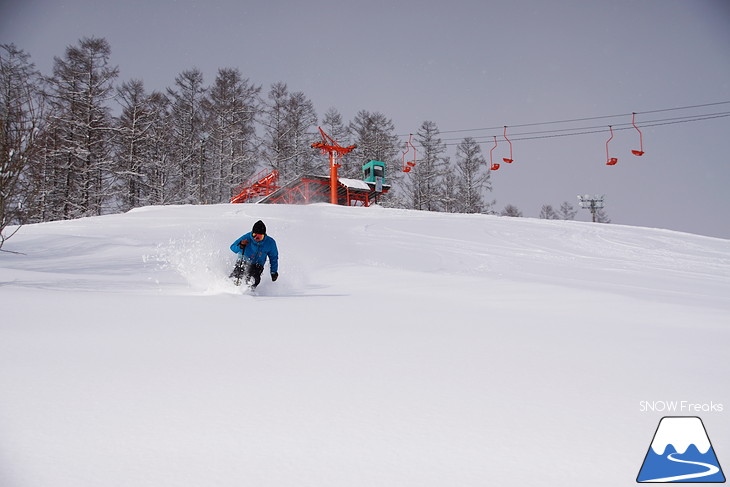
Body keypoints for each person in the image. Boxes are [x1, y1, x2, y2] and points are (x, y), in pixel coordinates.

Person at [229, 220, 279, 289]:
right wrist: (240, 245)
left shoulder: (270, 243)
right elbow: (232, 247)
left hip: (258, 265)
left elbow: (273, 258)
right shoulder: (247, 237)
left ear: (264, 235)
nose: (256, 238)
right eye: (254, 235)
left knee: (254, 279)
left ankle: (248, 293)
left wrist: (274, 272)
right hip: (243, 261)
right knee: (237, 275)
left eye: (259, 236)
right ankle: (230, 289)